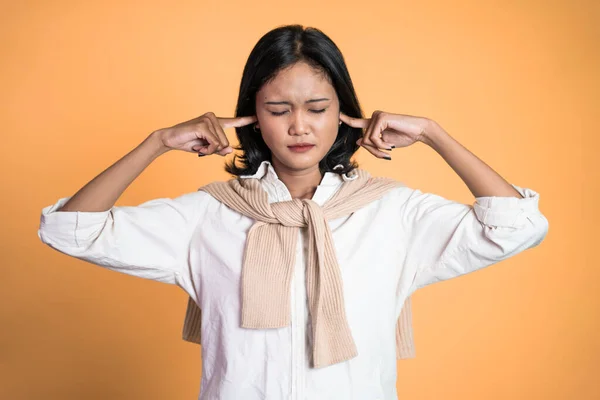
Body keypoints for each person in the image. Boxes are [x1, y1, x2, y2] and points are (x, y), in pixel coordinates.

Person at [37, 24, 549, 400]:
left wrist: (435, 134)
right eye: (278, 110)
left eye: (317, 109)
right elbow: (69, 231)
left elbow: (516, 226)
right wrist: (156, 143)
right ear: (253, 118)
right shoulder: (208, 217)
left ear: (345, 111)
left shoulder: (393, 213)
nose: (299, 126)